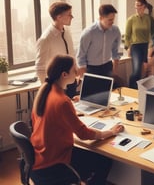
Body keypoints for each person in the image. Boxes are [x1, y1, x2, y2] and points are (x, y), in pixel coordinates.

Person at [30, 54, 124, 185]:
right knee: (104, 161)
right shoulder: (62, 101)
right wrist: (110, 132)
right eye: (74, 69)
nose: (77, 72)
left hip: (40, 158)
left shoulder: (45, 91)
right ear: (64, 74)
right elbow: (84, 134)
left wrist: (71, 115)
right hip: (55, 162)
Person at [35, 1, 77, 98]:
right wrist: (46, 90)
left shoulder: (67, 31)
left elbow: (71, 53)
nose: (72, 17)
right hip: (57, 86)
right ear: (59, 17)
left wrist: (76, 72)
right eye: (69, 14)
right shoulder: (46, 39)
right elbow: (40, 68)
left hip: (71, 82)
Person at [76, 4, 124, 88]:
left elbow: (117, 51)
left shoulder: (115, 31)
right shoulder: (89, 32)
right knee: (93, 97)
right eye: (110, 20)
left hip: (107, 66)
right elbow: (81, 56)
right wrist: (84, 76)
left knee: (109, 94)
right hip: (91, 69)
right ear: (101, 18)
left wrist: (115, 71)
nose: (112, 22)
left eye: (113, 19)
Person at [124, 0, 154, 89]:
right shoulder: (131, 19)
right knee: (137, 71)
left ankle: (140, 90)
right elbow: (127, 35)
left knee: (144, 71)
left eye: (138, 5)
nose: (136, 8)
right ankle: (131, 88)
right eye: (135, 6)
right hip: (135, 47)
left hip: (145, 46)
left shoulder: (149, 19)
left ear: (144, 6)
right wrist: (127, 47)